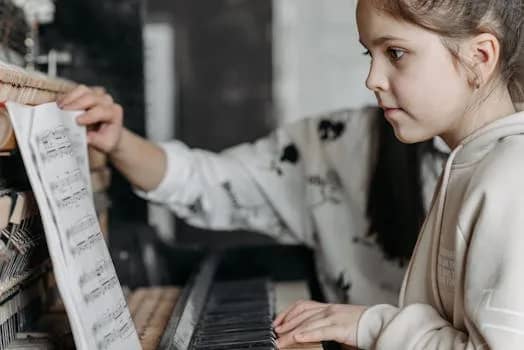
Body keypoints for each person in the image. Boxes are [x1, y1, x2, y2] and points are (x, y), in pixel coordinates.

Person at [270, 0, 524, 348]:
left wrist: (371, 326)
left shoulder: (511, 175)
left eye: (396, 53)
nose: (372, 79)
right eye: (369, 55)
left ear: (479, 57)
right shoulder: (474, 162)